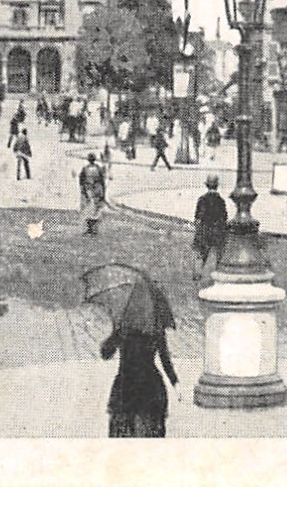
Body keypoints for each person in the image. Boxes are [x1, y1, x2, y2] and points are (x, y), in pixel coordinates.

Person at [100, 279, 179, 437]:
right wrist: (174, 381)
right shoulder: (156, 327)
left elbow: (105, 353)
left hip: (126, 386)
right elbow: (165, 359)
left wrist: (115, 332)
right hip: (151, 387)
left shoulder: (124, 327)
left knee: (123, 435)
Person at [191, 176, 228, 280]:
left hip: (204, 229)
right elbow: (224, 217)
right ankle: (218, 274)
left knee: (201, 254)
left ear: (207, 185)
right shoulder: (221, 201)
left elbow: (198, 217)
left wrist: (197, 228)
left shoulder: (202, 199)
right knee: (218, 254)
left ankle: (197, 274)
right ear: (217, 186)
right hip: (217, 230)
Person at [79, 152, 107, 235]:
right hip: (95, 190)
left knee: (90, 208)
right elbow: (102, 181)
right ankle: (92, 228)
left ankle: (90, 228)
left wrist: (83, 189)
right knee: (94, 208)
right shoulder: (98, 168)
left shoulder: (86, 168)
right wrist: (103, 192)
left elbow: (81, 180)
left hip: (90, 190)